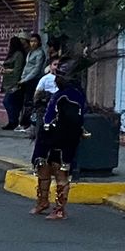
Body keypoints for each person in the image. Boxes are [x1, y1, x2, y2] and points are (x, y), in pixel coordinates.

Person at [31, 60, 86, 220]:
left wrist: (56, 131)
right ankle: (42, 202)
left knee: (60, 171)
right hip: (47, 139)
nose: (56, 79)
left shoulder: (72, 96)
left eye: (60, 76)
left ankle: (60, 209)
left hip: (61, 141)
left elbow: (72, 121)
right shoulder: (60, 94)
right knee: (43, 168)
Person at [17, 33, 47, 132]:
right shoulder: (30, 53)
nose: (33, 43)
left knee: (31, 102)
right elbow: (27, 67)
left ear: (39, 42)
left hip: (33, 80)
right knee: (25, 102)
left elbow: (36, 69)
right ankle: (24, 123)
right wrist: (22, 78)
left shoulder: (40, 53)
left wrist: (25, 79)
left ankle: (29, 124)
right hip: (26, 80)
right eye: (31, 41)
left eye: (35, 41)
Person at [0, 36, 27, 130]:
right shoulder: (12, 54)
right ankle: (12, 121)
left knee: (7, 101)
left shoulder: (19, 55)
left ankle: (13, 121)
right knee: (11, 102)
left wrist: (7, 71)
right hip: (8, 82)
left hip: (14, 83)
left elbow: (17, 70)